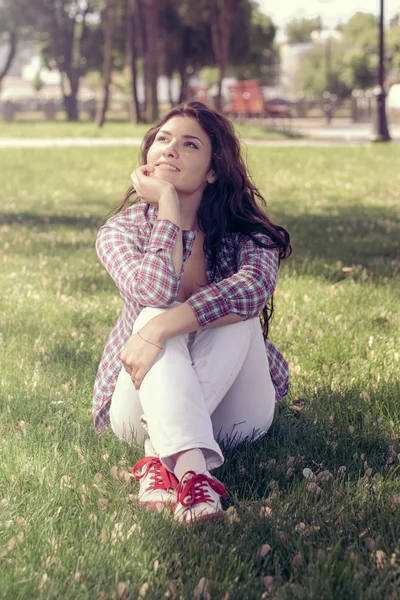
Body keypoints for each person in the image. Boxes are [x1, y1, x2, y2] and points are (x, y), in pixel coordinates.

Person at [92, 101, 291, 524]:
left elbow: (251, 290)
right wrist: (168, 205)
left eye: (188, 144)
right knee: (151, 313)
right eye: (162, 140)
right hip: (138, 409)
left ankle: (160, 460)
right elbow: (155, 290)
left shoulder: (247, 233)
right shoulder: (120, 231)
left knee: (235, 316)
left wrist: (162, 329)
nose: (169, 150)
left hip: (237, 411)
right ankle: (194, 476)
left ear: (213, 170)